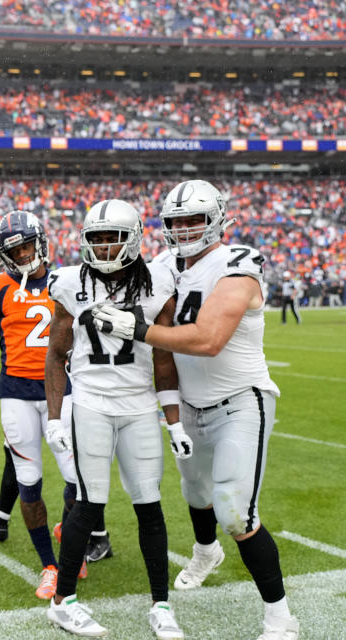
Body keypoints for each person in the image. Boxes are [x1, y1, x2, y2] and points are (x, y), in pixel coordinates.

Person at [93, 180, 298, 640]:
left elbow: (208, 340)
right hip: (186, 402)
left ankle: (280, 617)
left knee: (235, 510)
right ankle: (206, 551)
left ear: (218, 219)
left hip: (242, 399)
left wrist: (137, 329)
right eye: (176, 222)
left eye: (194, 220)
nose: (184, 230)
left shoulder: (239, 262)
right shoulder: (162, 265)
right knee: (194, 492)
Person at [45, 200, 185, 638]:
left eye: (114, 237)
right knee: (88, 504)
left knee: (150, 505)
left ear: (134, 238)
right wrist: (53, 418)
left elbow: (164, 359)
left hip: (140, 405)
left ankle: (161, 605)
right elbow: (56, 353)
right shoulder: (70, 283)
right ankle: (62, 601)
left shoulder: (158, 282)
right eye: (97, 238)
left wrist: (174, 420)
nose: (104, 247)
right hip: (91, 403)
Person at [0, 211, 94, 601]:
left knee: (77, 482)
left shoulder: (68, 280)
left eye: (25, 247)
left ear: (40, 242)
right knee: (29, 484)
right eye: (13, 251)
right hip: (16, 395)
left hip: (64, 392)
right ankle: (51, 565)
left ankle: (70, 539)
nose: (21, 256)